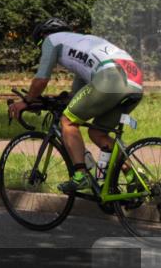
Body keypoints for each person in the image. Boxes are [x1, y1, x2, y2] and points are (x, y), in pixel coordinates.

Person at [9, 18, 144, 193]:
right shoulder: (82, 44)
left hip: (111, 77)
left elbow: (41, 79)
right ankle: (135, 177)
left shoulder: (52, 40)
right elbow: (77, 94)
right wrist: (60, 100)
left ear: (42, 36)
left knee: (67, 121)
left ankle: (81, 175)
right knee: (97, 133)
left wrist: (26, 101)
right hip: (135, 81)